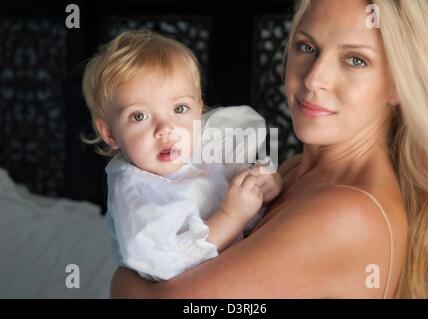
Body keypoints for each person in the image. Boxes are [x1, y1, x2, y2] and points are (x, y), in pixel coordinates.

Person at [110, 0, 428, 298]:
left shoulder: (347, 212)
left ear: (398, 85)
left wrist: (124, 280)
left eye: (355, 60)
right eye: (307, 48)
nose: (315, 78)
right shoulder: (291, 173)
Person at [81, 30, 283, 281]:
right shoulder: (135, 191)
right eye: (139, 116)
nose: (166, 129)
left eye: (179, 108)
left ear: (199, 108)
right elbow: (164, 263)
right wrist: (231, 217)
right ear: (110, 134)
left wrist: (264, 185)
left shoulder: (208, 149)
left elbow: (249, 190)